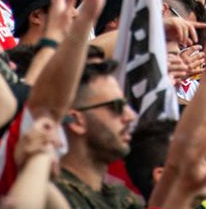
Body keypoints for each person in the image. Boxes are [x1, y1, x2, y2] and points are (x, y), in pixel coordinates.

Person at [56, 61, 142, 209]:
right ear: (76, 121)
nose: (130, 116)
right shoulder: (50, 197)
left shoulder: (123, 199)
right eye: (116, 106)